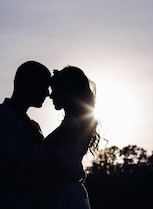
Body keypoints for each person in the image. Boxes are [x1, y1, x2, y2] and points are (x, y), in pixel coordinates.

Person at [0, 60, 51, 209]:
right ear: (27, 82)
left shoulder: (34, 126)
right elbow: (5, 165)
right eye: (44, 86)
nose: (48, 93)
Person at [42, 66, 101, 209]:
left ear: (67, 91)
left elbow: (43, 150)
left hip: (65, 195)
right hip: (72, 192)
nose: (51, 96)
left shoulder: (71, 125)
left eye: (55, 90)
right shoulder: (80, 123)